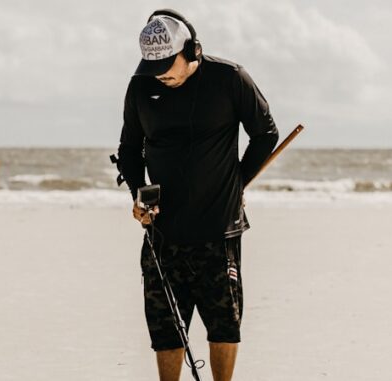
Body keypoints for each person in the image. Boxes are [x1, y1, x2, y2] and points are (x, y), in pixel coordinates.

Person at [117, 9, 278, 381]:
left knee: (224, 322)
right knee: (164, 325)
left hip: (218, 229)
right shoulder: (141, 86)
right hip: (163, 231)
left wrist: (236, 183)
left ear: (193, 51)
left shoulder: (229, 78)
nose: (160, 74)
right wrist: (138, 195)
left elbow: (265, 134)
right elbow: (128, 149)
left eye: (168, 64)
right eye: (152, 66)